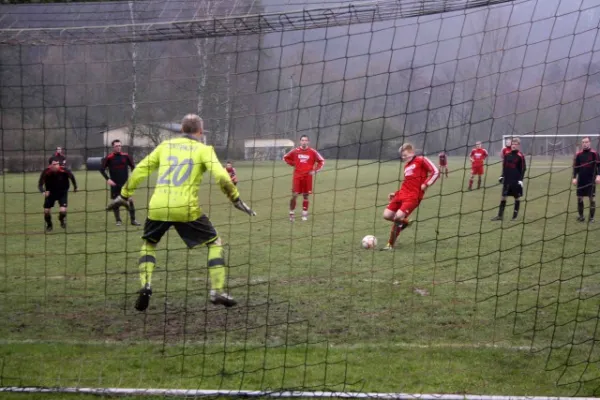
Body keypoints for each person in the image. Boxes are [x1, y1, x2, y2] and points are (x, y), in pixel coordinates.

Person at [107, 114, 256, 311]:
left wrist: (124, 195)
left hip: (158, 205)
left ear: (181, 130)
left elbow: (141, 169)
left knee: (149, 244)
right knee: (214, 242)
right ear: (200, 132)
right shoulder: (204, 149)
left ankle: (146, 285)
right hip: (186, 208)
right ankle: (217, 290)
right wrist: (235, 199)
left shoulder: (164, 146)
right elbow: (221, 176)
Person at [382, 143, 439, 251]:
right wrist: (395, 193)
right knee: (386, 215)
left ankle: (390, 244)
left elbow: (435, 172)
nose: (403, 158)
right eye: (402, 156)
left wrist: (426, 184)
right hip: (402, 194)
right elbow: (407, 182)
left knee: (398, 217)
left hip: (413, 196)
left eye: (405, 155)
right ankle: (405, 223)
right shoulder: (406, 166)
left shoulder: (421, 159)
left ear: (412, 153)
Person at [283, 135, 325, 222]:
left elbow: (322, 161)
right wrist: (293, 164)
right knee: (294, 195)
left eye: (306, 140)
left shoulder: (313, 152)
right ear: (300, 141)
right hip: (297, 176)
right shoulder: (295, 151)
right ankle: (291, 213)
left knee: (306, 196)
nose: (304, 142)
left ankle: (304, 214)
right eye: (302, 140)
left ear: (308, 142)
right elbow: (285, 158)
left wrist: (315, 170)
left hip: (308, 177)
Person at [100, 139, 140, 226]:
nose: (118, 147)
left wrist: (132, 175)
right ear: (113, 147)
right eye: (116, 146)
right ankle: (118, 221)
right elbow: (101, 169)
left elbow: (133, 167)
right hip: (115, 184)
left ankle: (133, 220)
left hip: (126, 184)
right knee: (116, 203)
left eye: (119, 146)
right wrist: (108, 179)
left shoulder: (126, 156)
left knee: (130, 201)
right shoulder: (109, 158)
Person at [38, 159, 78, 232]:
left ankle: (61, 220)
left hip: (62, 192)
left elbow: (72, 177)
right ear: (50, 165)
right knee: (46, 212)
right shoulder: (46, 172)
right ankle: (49, 225)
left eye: (57, 164)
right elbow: (40, 185)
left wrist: (75, 187)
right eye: (54, 164)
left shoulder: (64, 170)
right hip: (50, 193)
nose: (56, 165)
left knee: (63, 211)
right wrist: (43, 192)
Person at [492, 138, 526, 221]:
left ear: (518, 145)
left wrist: (520, 180)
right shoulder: (507, 155)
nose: (514, 145)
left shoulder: (520, 156)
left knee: (516, 197)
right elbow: (504, 166)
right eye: (513, 143)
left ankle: (514, 217)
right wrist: (502, 176)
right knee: (503, 197)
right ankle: (500, 216)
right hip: (507, 179)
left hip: (515, 180)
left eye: (516, 144)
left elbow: (523, 168)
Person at [572, 137, 600, 223]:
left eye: (586, 142)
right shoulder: (578, 154)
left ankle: (591, 218)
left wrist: (598, 176)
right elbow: (575, 167)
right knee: (579, 199)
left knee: (592, 199)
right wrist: (574, 178)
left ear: (590, 143)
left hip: (591, 180)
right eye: (583, 142)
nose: (585, 144)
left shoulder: (594, 154)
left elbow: (599, 166)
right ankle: (581, 217)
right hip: (581, 180)